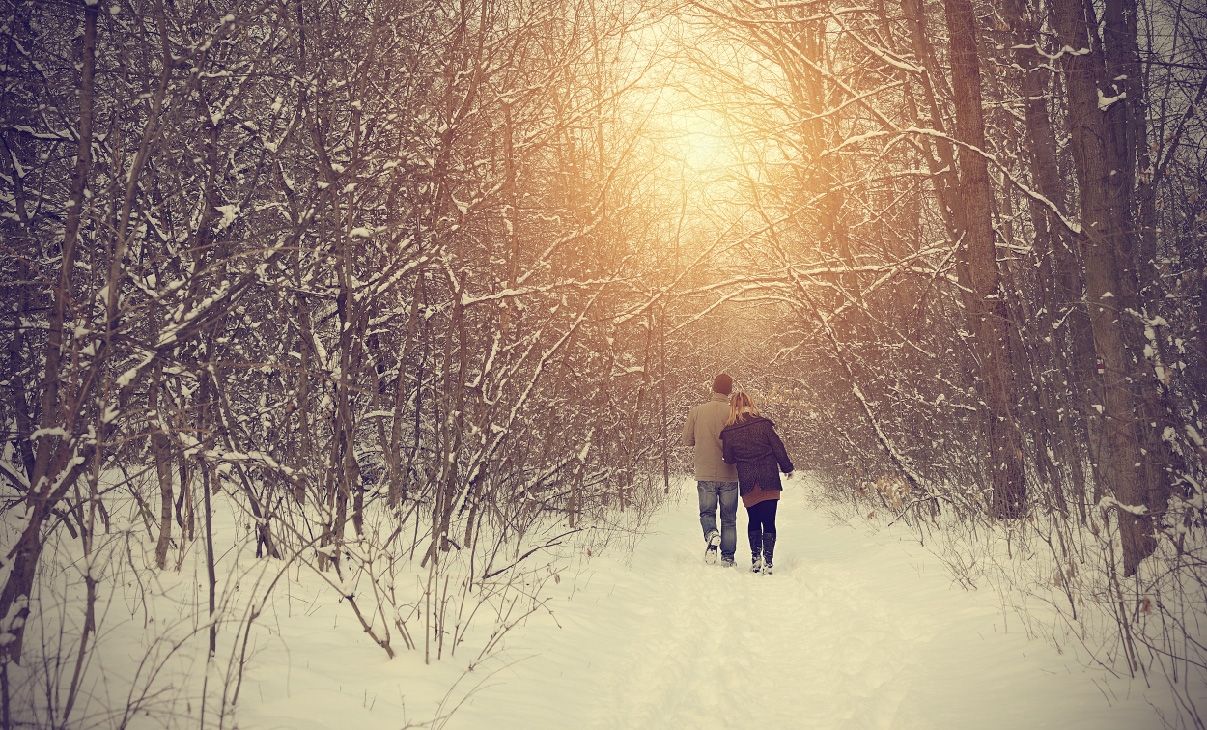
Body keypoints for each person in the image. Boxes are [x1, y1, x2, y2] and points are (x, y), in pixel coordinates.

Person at [719, 392, 793, 575]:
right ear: (750, 404)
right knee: (769, 520)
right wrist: (787, 468)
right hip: (769, 477)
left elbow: (728, 459)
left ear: (733, 407)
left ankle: (755, 559)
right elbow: (778, 447)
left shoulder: (729, 431)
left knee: (753, 519)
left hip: (748, 479)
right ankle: (768, 561)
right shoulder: (763, 424)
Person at [683, 374, 740, 566]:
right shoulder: (735, 413)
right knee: (729, 518)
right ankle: (728, 558)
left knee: (707, 513)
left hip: (705, 471)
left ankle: (711, 533)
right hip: (730, 473)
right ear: (729, 391)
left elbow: (687, 440)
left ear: (713, 388)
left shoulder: (697, 411)